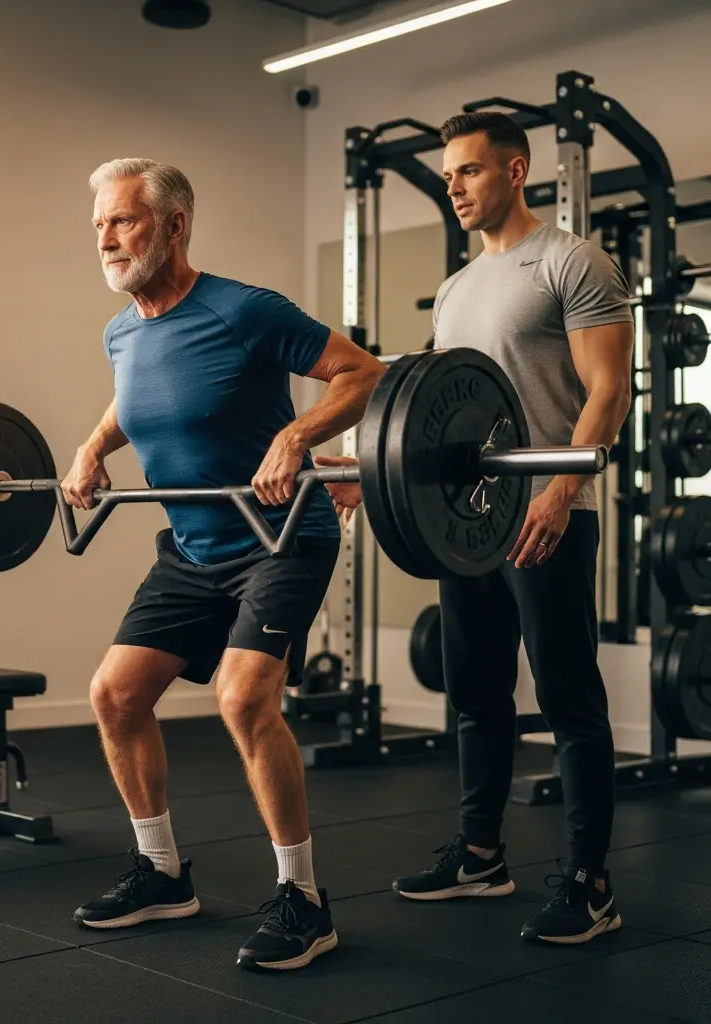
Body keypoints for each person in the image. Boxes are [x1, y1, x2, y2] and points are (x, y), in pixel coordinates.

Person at [318, 112, 634, 946]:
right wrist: (368, 476)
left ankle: (589, 880)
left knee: (568, 698)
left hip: (549, 516)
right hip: (467, 525)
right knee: (477, 695)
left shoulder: (571, 260)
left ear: (516, 170)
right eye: (449, 175)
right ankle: (480, 855)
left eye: (467, 172)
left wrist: (560, 491)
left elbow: (609, 393)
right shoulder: (457, 288)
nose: (453, 186)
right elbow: (433, 413)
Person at [64, 158, 385, 971]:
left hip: (280, 536)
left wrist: (297, 436)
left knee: (245, 701)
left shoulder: (245, 310)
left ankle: (304, 900)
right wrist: (94, 446)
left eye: (124, 221)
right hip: (192, 548)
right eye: (100, 223)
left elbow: (363, 373)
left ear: (175, 226)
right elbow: (139, 399)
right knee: (114, 694)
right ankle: (163, 873)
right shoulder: (122, 329)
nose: (106, 237)